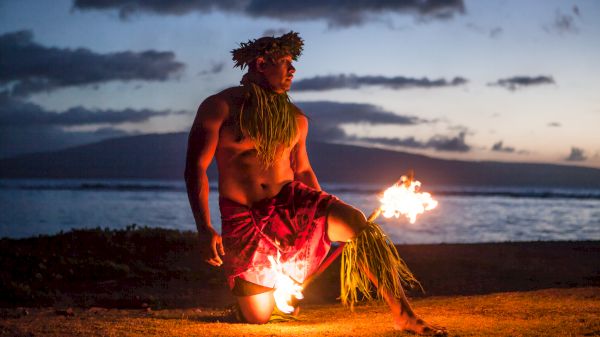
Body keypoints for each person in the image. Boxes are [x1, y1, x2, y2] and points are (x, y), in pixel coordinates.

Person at [184, 31, 446, 335]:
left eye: (293, 63)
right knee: (258, 317)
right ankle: (248, 304)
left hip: (291, 203)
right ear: (260, 63)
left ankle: (404, 315)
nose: (293, 70)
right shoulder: (220, 107)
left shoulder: (295, 118)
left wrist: (320, 222)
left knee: (356, 223)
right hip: (244, 215)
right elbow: (195, 169)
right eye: (285, 62)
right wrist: (204, 227)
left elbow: (303, 170)